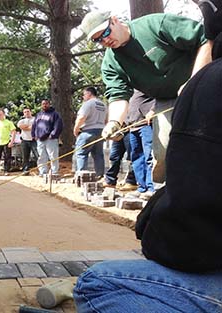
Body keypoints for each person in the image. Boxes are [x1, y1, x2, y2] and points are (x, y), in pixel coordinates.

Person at [73, 40, 222, 313]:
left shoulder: (210, 84)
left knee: (95, 282)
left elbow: (186, 245)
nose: (103, 40)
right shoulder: (116, 62)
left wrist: (153, 222)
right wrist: (115, 122)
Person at [80, 11, 212, 183]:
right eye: (98, 40)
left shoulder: (155, 24)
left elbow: (205, 38)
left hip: (206, 83)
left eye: (105, 32)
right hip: (167, 99)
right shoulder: (111, 63)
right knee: (164, 152)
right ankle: (170, 194)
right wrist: (114, 123)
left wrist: (194, 81)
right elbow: (118, 95)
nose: (105, 40)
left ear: (114, 20)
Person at [126, 90, 156, 200]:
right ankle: (142, 187)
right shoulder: (132, 88)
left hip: (146, 124)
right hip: (133, 125)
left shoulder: (147, 81)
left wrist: (153, 110)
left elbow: (160, 96)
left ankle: (151, 188)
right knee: (137, 158)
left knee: (149, 156)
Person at [73, 87, 107, 178]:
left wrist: (76, 129)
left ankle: (82, 176)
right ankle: (100, 175)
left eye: (84, 95)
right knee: (98, 155)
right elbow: (107, 119)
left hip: (88, 131)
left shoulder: (88, 104)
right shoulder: (103, 105)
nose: (83, 97)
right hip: (100, 131)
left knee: (81, 153)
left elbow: (81, 117)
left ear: (89, 94)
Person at [31, 99, 63, 176]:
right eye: (43, 104)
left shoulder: (55, 114)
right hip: (40, 139)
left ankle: (54, 172)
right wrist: (33, 135)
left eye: (46, 103)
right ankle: (42, 172)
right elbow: (34, 125)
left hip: (50, 139)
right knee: (41, 156)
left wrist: (53, 135)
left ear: (49, 104)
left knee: (53, 156)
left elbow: (58, 125)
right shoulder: (39, 114)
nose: (44, 105)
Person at [0, 108, 17, 175]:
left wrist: (12, 142)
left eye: (0, 114)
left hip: (6, 142)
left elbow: (14, 132)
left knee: (7, 157)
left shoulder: (8, 122)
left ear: (4, 114)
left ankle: (6, 171)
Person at [17, 108, 38, 173]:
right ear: (23, 114)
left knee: (37, 155)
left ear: (31, 112)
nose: (27, 113)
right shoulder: (21, 121)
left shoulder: (35, 119)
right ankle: (25, 170)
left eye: (28, 111)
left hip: (33, 140)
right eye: (25, 112)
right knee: (25, 157)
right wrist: (29, 127)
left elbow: (34, 127)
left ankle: (40, 170)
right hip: (24, 141)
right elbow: (21, 126)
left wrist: (27, 127)